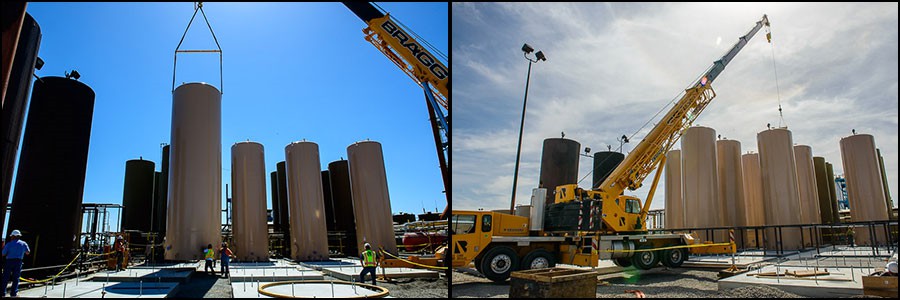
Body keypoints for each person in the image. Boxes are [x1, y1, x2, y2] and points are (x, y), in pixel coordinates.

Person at [2, 230, 31, 297]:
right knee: (16, 278)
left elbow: (3, 254)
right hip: (18, 262)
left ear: (13, 236)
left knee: (5, 278)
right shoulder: (24, 243)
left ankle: (3, 293)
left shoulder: (9, 244)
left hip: (9, 262)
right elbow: (28, 252)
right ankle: (13, 294)